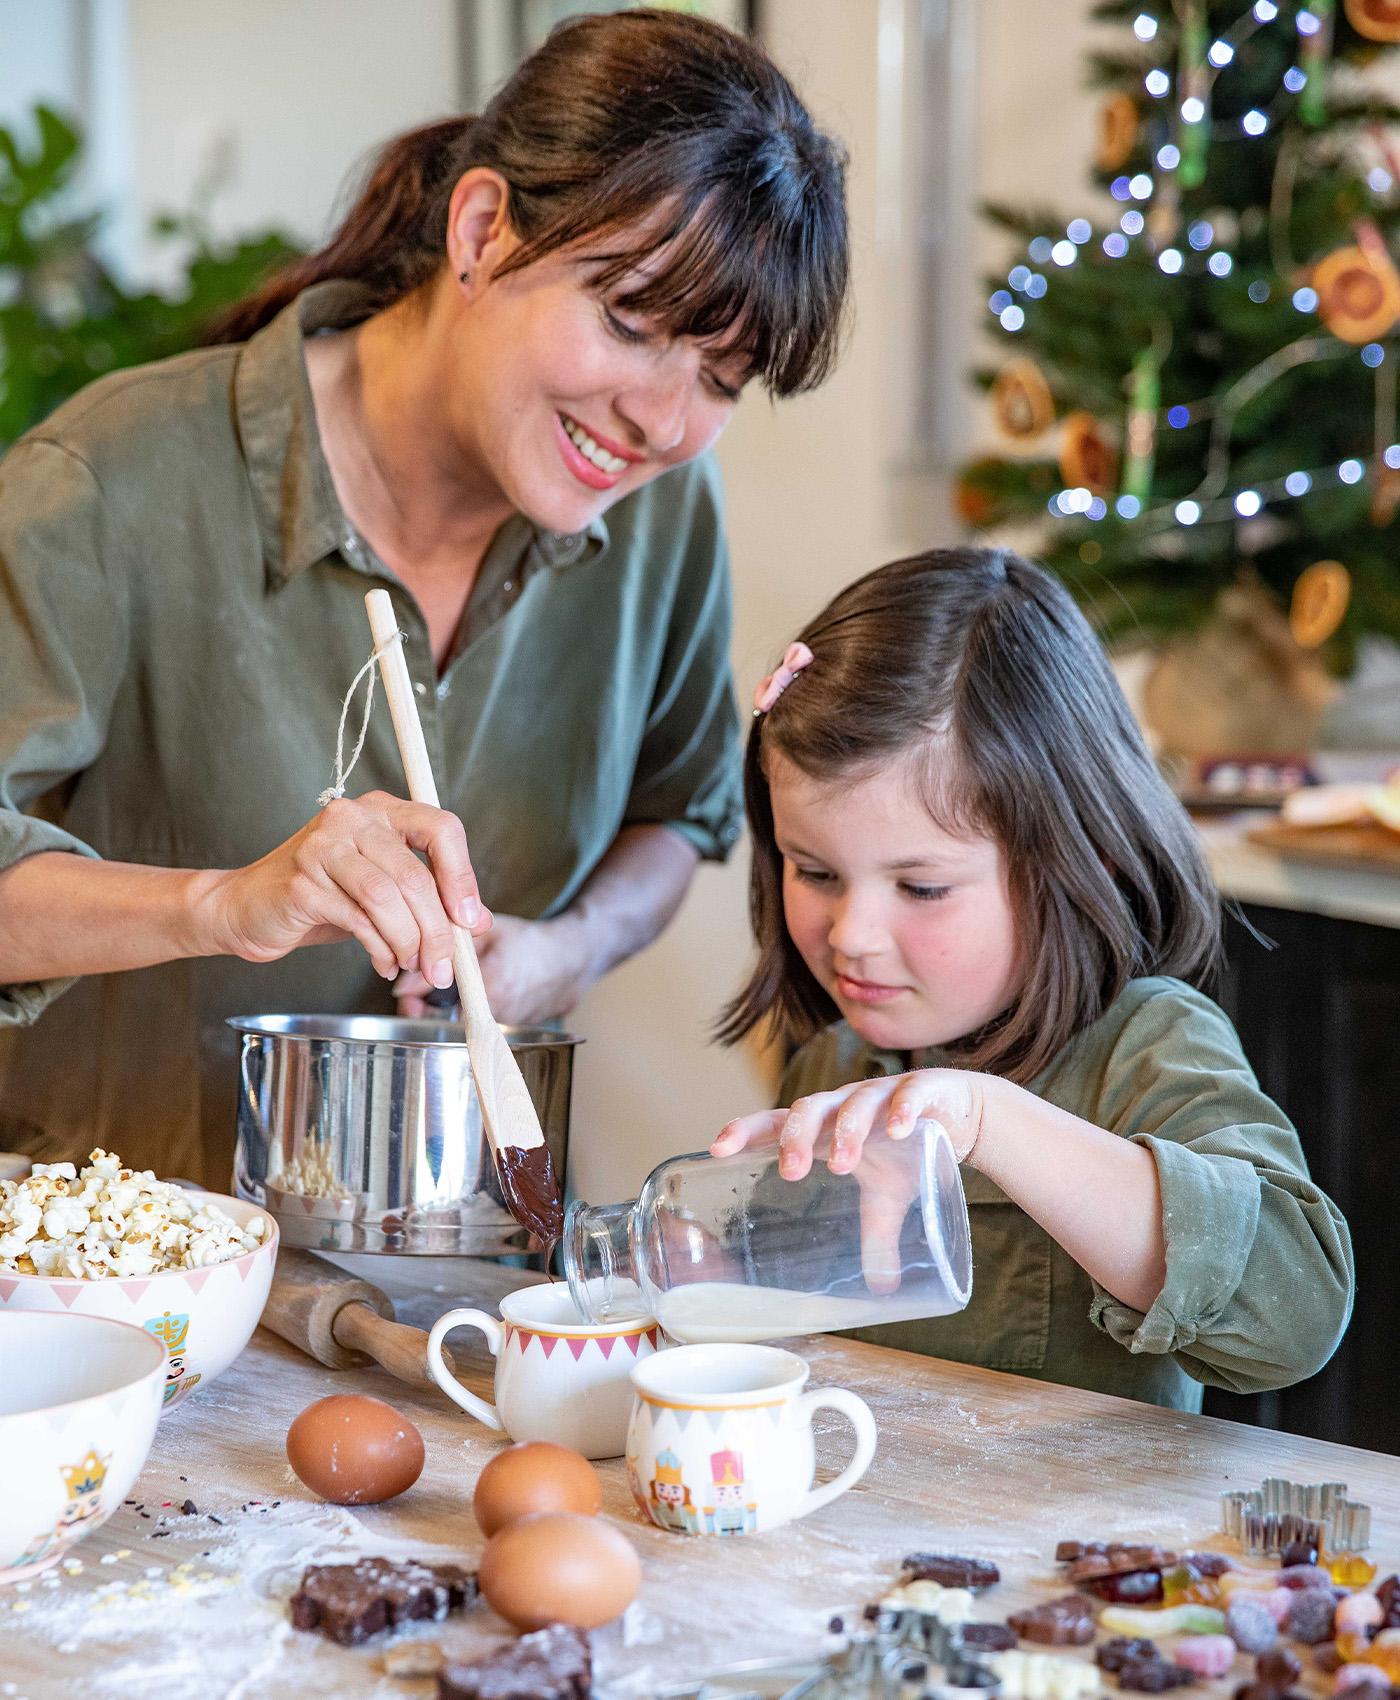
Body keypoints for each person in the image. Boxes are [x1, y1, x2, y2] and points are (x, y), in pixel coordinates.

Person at [0, 9, 848, 1185]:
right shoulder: (110, 481)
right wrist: (222, 903)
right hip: (126, 1283)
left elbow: (681, 806)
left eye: (718, 376)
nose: (661, 420)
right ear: (483, 228)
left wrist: (565, 946)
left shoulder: (660, 509)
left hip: (466, 1264)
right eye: (627, 319)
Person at [712, 548, 1353, 1411]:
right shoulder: (834, 1067)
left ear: (1063, 862)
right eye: (814, 871)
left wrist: (989, 1121)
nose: (852, 936)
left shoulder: (1148, 1043)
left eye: (922, 887)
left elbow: (1298, 1318)